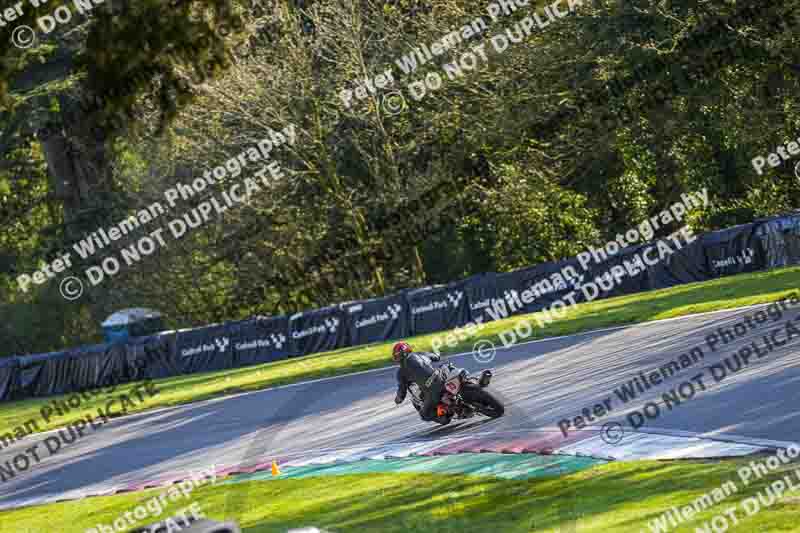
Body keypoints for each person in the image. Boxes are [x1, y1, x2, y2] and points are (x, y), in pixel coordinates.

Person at [392, 341, 451, 425]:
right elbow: (436, 357)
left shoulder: (401, 372)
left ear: (397, 357)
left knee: (424, 414)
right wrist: (437, 354)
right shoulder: (420, 354)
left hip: (433, 391)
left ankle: (444, 413)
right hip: (442, 377)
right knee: (446, 368)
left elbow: (402, 390)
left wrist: (398, 399)